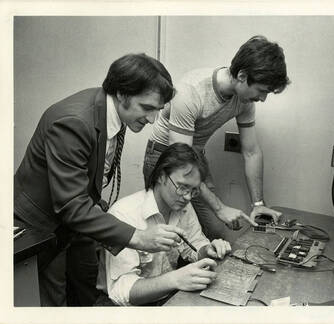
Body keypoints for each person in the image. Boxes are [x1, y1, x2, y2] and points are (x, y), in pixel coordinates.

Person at [14, 53, 185, 306]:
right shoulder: (73, 122)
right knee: (54, 301)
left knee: (86, 289)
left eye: (157, 110)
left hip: (77, 220)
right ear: (122, 94)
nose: (152, 120)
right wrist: (138, 237)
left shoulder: (113, 111)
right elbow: (72, 205)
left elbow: (89, 180)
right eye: (147, 108)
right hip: (43, 227)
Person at [143, 35, 290, 240]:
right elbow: (180, 162)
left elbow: (251, 151)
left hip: (193, 156)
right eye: (262, 90)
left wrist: (258, 204)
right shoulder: (190, 92)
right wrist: (220, 208)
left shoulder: (245, 101)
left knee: (215, 232)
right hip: (165, 157)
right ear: (242, 76)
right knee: (174, 234)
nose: (263, 98)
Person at [96, 143, 231, 306]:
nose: (188, 197)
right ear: (161, 175)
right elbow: (121, 291)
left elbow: (194, 244)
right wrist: (175, 279)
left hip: (166, 297)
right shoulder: (124, 214)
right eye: (183, 187)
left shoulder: (183, 206)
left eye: (194, 191)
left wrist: (207, 251)